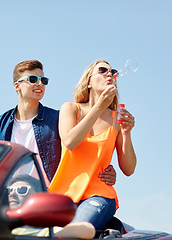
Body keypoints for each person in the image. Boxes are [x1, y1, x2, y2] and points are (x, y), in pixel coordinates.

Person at [0, 59, 116, 186]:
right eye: (33, 79)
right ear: (17, 86)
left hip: (47, 197)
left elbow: (82, 148)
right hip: (9, 198)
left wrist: (106, 169)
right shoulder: (0, 124)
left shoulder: (57, 118)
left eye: (43, 80)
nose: (39, 84)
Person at [48, 59, 137, 232]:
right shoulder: (70, 108)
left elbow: (129, 169)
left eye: (113, 72)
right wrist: (98, 107)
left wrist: (127, 132)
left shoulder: (115, 119)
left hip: (100, 194)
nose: (109, 74)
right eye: (103, 70)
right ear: (89, 81)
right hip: (63, 195)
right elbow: (70, 142)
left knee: (74, 231)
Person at [8, 174, 95, 239]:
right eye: (9, 191)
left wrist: (44, 234)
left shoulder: (43, 232)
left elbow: (87, 230)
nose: (12, 194)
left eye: (22, 190)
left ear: (40, 198)